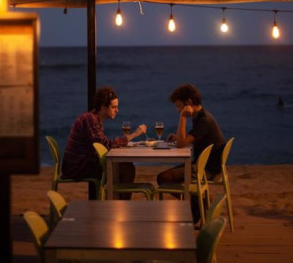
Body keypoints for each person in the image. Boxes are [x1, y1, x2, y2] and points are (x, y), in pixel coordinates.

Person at [61, 86, 146, 200]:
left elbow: (103, 145)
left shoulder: (95, 119)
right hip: (76, 167)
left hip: (83, 162)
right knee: (126, 168)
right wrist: (135, 134)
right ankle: (121, 205)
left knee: (125, 167)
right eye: (113, 107)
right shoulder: (90, 119)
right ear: (103, 107)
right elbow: (105, 144)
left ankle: (118, 204)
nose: (117, 110)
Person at [159, 83, 226, 223]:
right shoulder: (202, 116)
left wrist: (183, 117)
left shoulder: (203, 120)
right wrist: (179, 137)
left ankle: (197, 207)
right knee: (164, 177)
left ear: (188, 102)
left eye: (178, 106)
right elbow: (187, 139)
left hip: (206, 169)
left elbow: (181, 144)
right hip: (206, 165)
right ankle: (197, 206)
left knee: (163, 178)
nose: (178, 110)